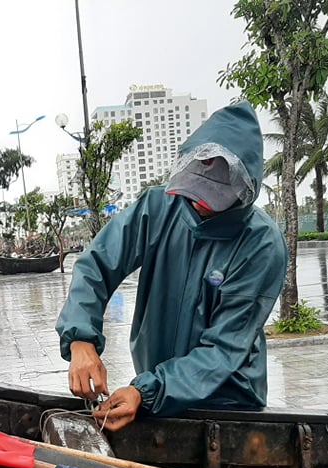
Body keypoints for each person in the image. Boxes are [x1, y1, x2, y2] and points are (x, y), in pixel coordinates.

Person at [55, 101, 288, 431]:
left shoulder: (262, 244)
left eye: (214, 197)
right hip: (155, 383)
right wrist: (81, 340)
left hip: (228, 400)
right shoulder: (158, 207)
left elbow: (222, 350)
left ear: (242, 193)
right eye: (195, 191)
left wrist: (145, 391)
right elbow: (96, 264)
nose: (200, 203)